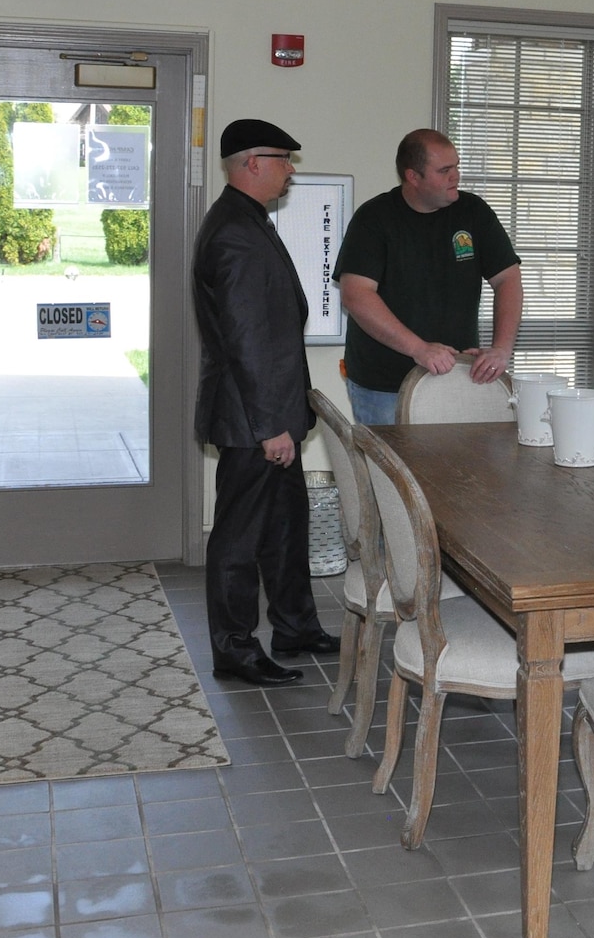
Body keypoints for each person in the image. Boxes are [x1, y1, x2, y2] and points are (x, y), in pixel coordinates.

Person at [192, 118, 338, 686]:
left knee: (284, 523)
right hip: (255, 417)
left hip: (268, 410)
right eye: (283, 158)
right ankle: (234, 647)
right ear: (252, 162)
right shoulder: (234, 230)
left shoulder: (247, 219)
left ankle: (295, 626)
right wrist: (270, 426)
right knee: (239, 537)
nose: (290, 169)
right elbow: (249, 340)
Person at [333, 129, 522, 425]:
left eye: (457, 166)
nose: (455, 176)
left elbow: (507, 279)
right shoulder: (374, 218)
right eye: (444, 170)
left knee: (458, 471)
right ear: (413, 176)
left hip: (458, 381)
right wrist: (418, 349)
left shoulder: (474, 212)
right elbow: (356, 294)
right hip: (384, 387)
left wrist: (501, 349)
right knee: (390, 472)